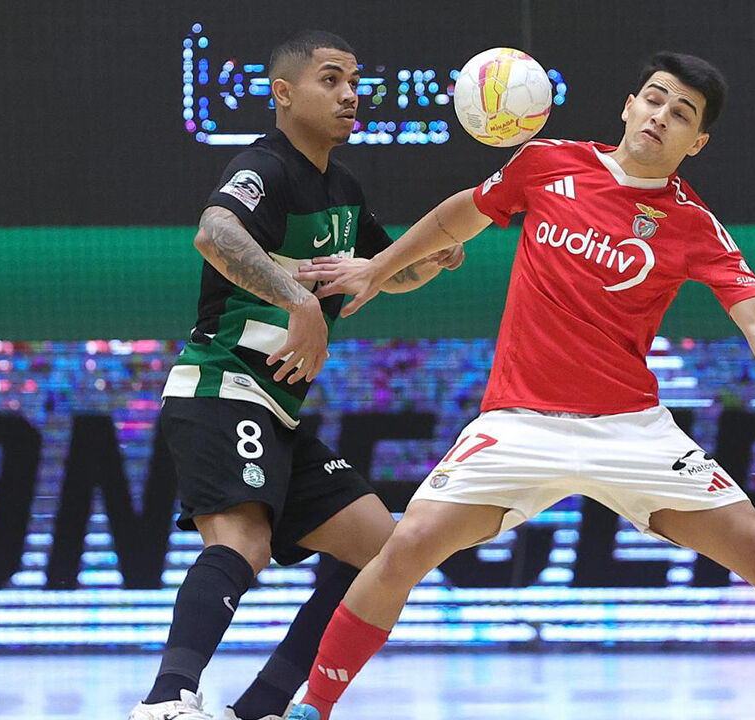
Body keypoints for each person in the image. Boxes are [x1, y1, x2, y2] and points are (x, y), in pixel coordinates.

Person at [287, 52, 755, 720]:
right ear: (629, 106)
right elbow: (462, 214)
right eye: (654, 99)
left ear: (696, 142)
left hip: (631, 431)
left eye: (681, 113)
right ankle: (312, 707)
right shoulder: (546, 163)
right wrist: (377, 268)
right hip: (518, 424)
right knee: (405, 548)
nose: (661, 116)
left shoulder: (692, 224)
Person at [128, 30, 465, 720]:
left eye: (354, 83)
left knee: (381, 551)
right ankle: (166, 700)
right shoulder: (264, 166)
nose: (349, 95)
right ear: (283, 94)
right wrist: (300, 300)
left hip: (277, 412)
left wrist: (432, 258)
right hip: (221, 388)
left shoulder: (343, 187)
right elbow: (214, 234)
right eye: (331, 80)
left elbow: (380, 275)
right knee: (243, 542)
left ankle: (261, 708)